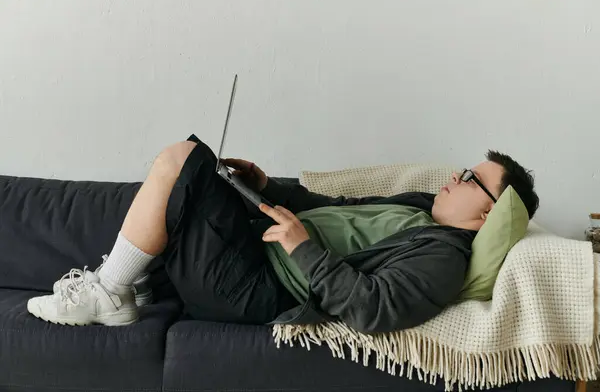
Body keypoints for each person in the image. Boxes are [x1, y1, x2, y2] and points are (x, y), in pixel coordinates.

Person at [27, 134, 539, 333]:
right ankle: (128, 282)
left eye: (471, 180)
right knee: (197, 167)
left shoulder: (443, 257)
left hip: (258, 287)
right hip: (256, 250)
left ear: (491, 216)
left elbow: (375, 308)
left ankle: (111, 290)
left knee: (182, 160)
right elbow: (335, 209)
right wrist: (267, 186)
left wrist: (303, 248)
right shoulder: (422, 210)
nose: (456, 177)